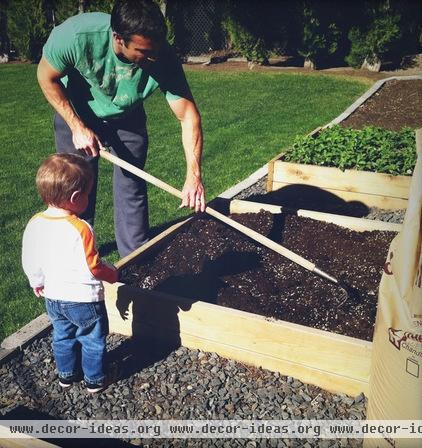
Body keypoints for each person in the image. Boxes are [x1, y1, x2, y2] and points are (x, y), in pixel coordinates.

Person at [37, 0, 205, 258]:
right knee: (75, 185)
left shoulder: (161, 55)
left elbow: (188, 116)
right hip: (78, 111)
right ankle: (77, 255)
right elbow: (45, 76)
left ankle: (135, 258)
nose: (152, 57)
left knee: (132, 185)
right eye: (143, 51)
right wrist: (76, 125)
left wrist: (193, 175)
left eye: (155, 50)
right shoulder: (76, 36)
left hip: (128, 116)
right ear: (118, 38)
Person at [22, 154, 119, 393]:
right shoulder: (81, 228)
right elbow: (93, 265)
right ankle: (94, 379)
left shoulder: (35, 223)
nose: (88, 198)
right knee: (92, 339)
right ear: (76, 198)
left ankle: (66, 375)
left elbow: (30, 258)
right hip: (83, 299)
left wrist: (37, 281)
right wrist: (112, 274)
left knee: (62, 336)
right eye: (87, 194)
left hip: (53, 297)